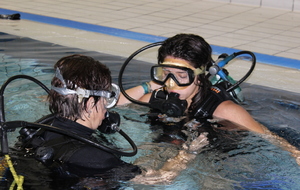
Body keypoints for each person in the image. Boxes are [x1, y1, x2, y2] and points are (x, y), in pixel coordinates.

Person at [117, 34, 300, 184]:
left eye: (182, 76)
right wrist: (151, 85)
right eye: (165, 74)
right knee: (138, 175)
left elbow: (269, 137)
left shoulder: (225, 110)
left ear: (199, 75)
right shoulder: (156, 96)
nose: (171, 83)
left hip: (214, 161)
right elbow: (111, 104)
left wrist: (296, 154)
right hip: (168, 146)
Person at [16, 54, 140, 184]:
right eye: (105, 100)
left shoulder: (39, 128)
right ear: (90, 104)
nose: (106, 109)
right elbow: (154, 179)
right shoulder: (96, 158)